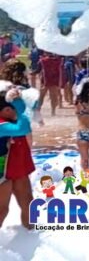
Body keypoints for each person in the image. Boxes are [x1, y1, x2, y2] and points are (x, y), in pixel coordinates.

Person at [0, 88, 35, 229]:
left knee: (29, 205)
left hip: (14, 169)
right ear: (7, 110)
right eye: (13, 109)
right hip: (3, 172)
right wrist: (20, 108)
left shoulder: (9, 121)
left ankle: (32, 242)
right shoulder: (2, 124)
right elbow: (23, 128)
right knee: (2, 211)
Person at [39, 52, 63, 116]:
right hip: (54, 81)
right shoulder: (58, 61)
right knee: (53, 97)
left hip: (45, 81)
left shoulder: (43, 60)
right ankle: (53, 111)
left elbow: (39, 68)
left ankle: (38, 110)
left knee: (41, 96)